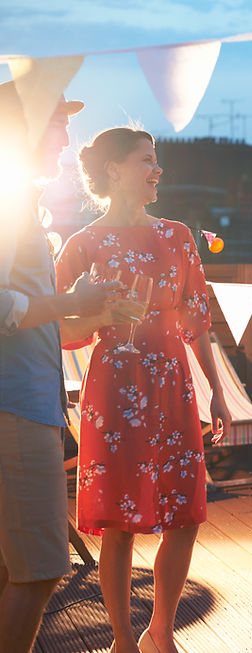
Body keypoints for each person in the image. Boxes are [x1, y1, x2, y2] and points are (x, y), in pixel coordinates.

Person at [54, 126, 231, 653]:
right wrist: (99, 317)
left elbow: (197, 320)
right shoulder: (82, 244)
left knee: (185, 514)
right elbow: (53, 327)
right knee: (119, 522)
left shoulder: (177, 236)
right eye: (146, 160)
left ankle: (161, 633)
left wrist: (218, 393)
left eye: (156, 160)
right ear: (114, 170)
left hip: (173, 385)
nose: (158, 170)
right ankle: (123, 641)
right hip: (114, 390)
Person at [0, 82, 120, 653]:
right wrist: (72, 299)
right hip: (15, 408)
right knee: (42, 568)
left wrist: (88, 312)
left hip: (28, 403)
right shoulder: (8, 199)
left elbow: (33, 317)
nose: (66, 139)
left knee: (12, 566)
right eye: (55, 123)